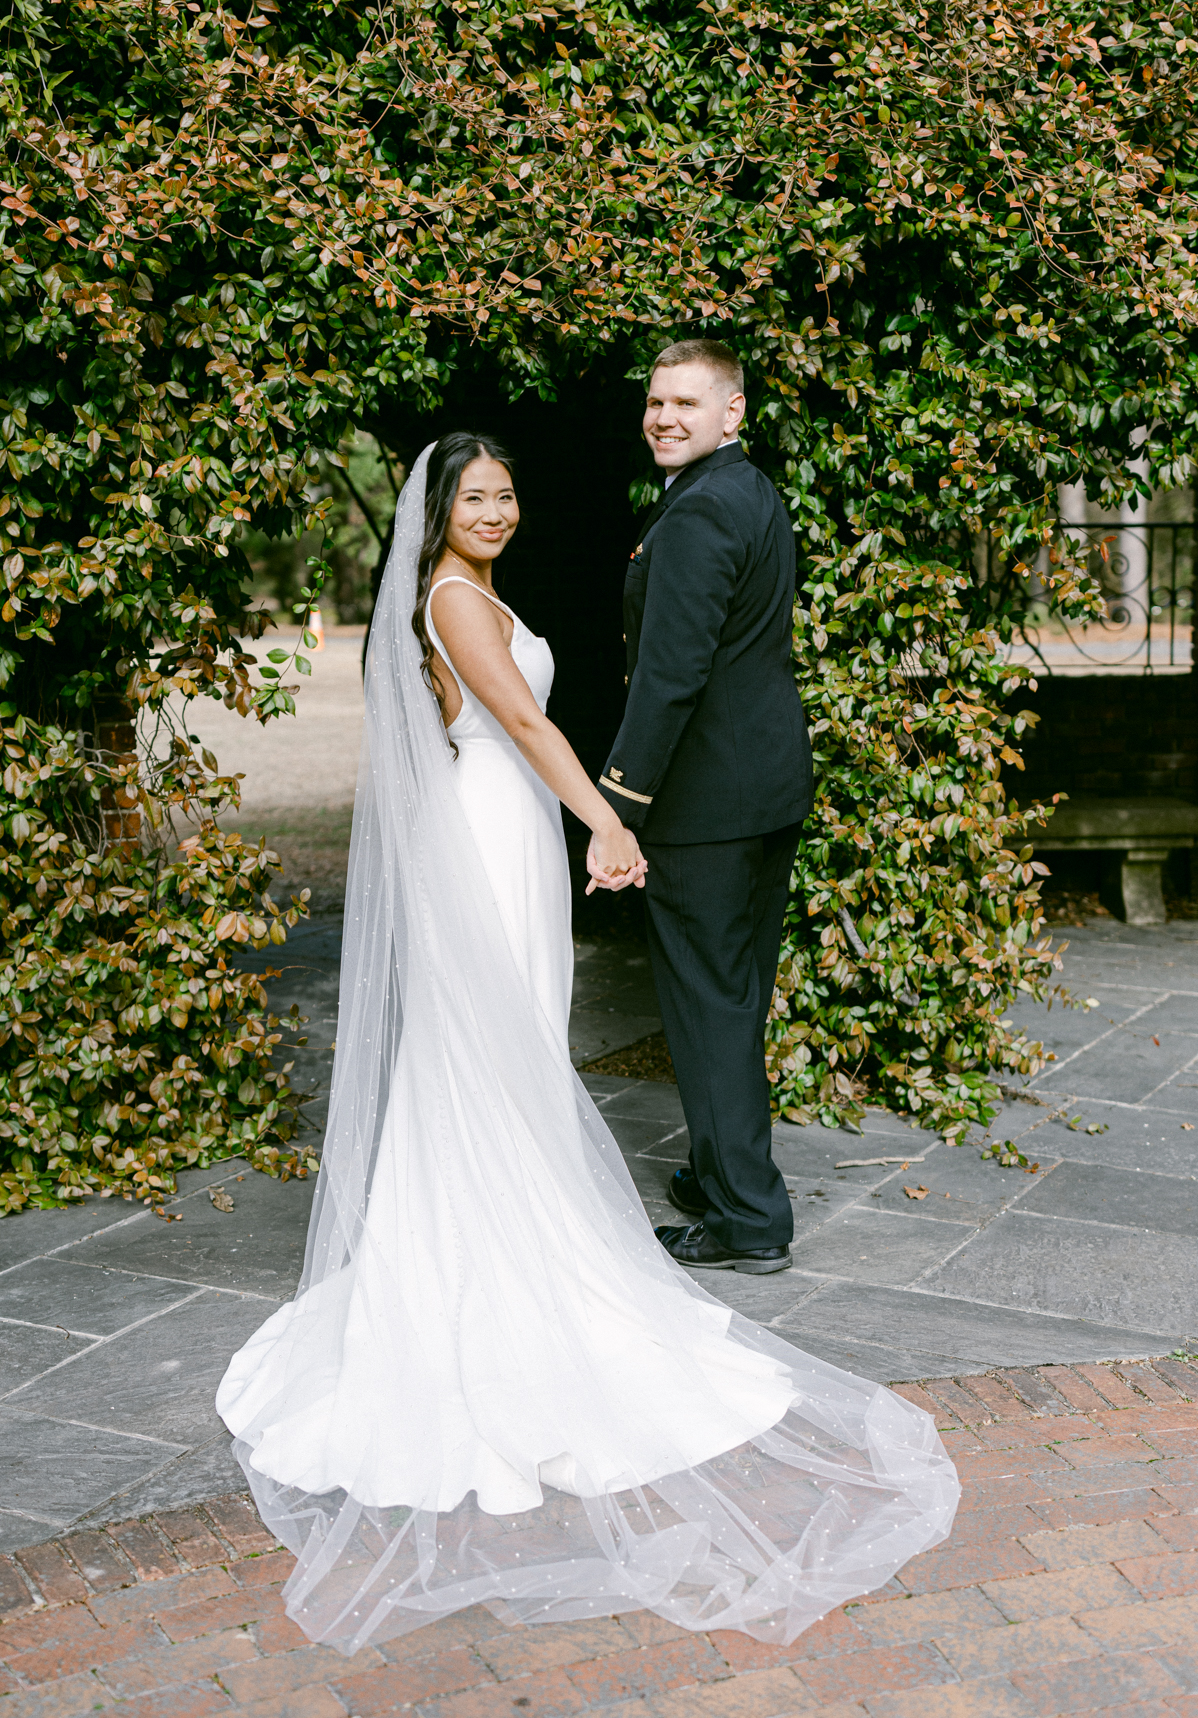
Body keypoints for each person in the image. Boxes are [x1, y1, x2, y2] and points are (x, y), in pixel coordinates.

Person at [216, 430, 958, 1657]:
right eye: (475, 496)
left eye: (507, 493)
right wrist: (607, 822)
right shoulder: (453, 600)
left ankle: (507, 1229)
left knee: (506, 1044)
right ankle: (484, 1258)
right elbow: (514, 714)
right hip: (492, 832)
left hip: (506, 834)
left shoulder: (478, 588)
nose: (496, 510)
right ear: (436, 512)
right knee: (485, 1050)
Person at [595, 340, 811, 1275]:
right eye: (655, 402)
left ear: (733, 412)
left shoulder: (693, 517)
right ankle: (721, 1168)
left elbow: (671, 678)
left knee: (710, 1008)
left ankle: (747, 1219)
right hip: (766, 789)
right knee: (738, 996)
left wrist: (617, 805)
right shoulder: (750, 492)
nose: (664, 417)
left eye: (687, 402)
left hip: (704, 805)